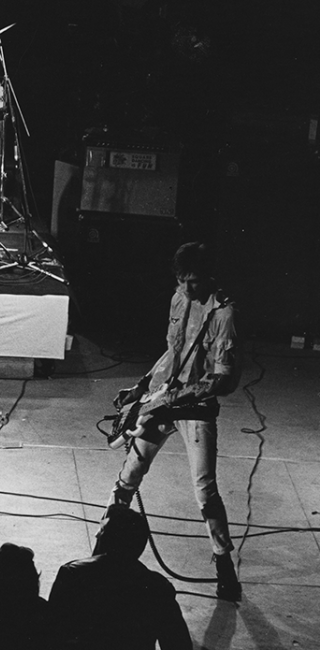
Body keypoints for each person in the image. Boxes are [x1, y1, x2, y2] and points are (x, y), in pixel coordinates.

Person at [103, 241, 242, 601]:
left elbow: (223, 379)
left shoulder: (224, 314)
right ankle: (105, 546)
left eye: (193, 281)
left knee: (205, 490)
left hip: (195, 406)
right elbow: (172, 351)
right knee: (130, 472)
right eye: (181, 280)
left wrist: (176, 397)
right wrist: (141, 388)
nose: (186, 288)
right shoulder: (179, 297)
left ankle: (224, 566)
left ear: (210, 277)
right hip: (165, 397)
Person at [48, 505, 192, 650]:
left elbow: (51, 633)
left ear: (109, 539)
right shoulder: (158, 587)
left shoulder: (73, 573)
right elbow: (178, 643)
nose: (97, 535)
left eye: (102, 530)